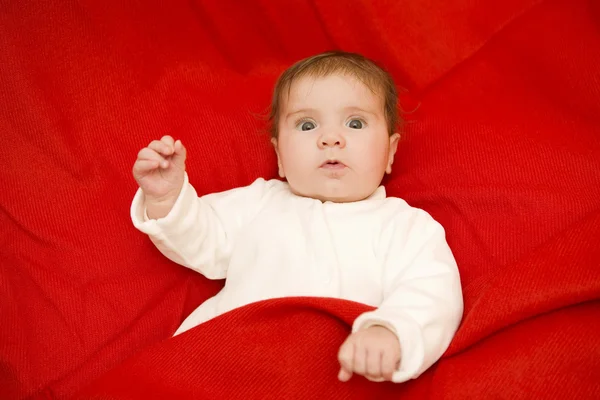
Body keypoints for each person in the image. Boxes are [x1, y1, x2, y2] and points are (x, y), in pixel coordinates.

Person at [130, 51, 463, 384]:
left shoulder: (404, 226)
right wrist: (167, 197)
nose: (331, 138)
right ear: (279, 157)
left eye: (355, 123)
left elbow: (432, 292)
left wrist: (389, 330)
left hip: (331, 376)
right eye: (307, 124)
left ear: (390, 152)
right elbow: (201, 236)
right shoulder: (258, 203)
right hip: (222, 361)